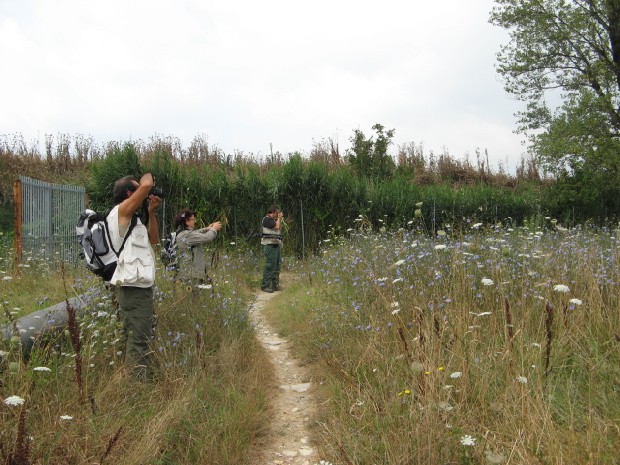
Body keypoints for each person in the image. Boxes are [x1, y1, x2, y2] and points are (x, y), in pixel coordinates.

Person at [107, 172, 160, 381]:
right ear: (130, 193)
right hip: (132, 288)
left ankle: (133, 379)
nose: (145, 191)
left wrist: (152, 212)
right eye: (138, 189)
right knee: (139, 339)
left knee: (138, 336)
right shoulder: (120, 212)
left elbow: (154, 240)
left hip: (140, 287)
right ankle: (138, 386)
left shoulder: (134, 220)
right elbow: (146, 184)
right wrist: (148, 177)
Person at [175, 208, 222, 284]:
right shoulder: (186, 235)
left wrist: (208, 228)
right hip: (191, 275)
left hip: (190, 274)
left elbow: (197, 232)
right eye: (193, 219)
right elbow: (207, 238)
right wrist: (214, 229)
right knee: (195, 295)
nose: (195, 221)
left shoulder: (182, 233)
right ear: (187, 221)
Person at [261, 205, 283, 293]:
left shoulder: (273, 221)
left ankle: (275, 285)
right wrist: (279, 218)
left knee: (277, 266)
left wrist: (279, 220)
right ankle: (265, 285)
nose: (277, 214)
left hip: (276, 245)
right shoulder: (266, 220)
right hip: (270, 245)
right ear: (272, 212)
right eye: (277, 213)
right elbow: (277, 227)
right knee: (270, 265)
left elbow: (279, 229)